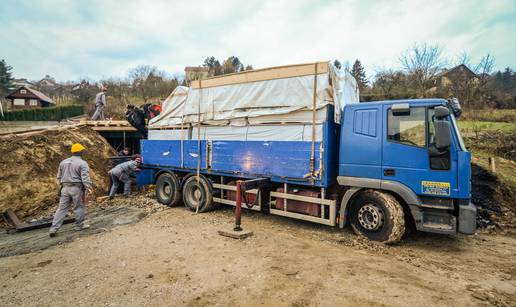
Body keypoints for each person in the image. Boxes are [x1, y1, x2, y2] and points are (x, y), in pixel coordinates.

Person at [49, 143, 93, 237]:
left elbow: (59, 177)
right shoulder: (82, 163)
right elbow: (85, 177)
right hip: (76, 188)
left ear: (72, 151)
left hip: (64, 188)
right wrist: (88, 187)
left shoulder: (63, 162)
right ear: (81, 152)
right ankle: (79, 225)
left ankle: (54, 228)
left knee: (61, 209)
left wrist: (61, 186)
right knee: (79, 207)